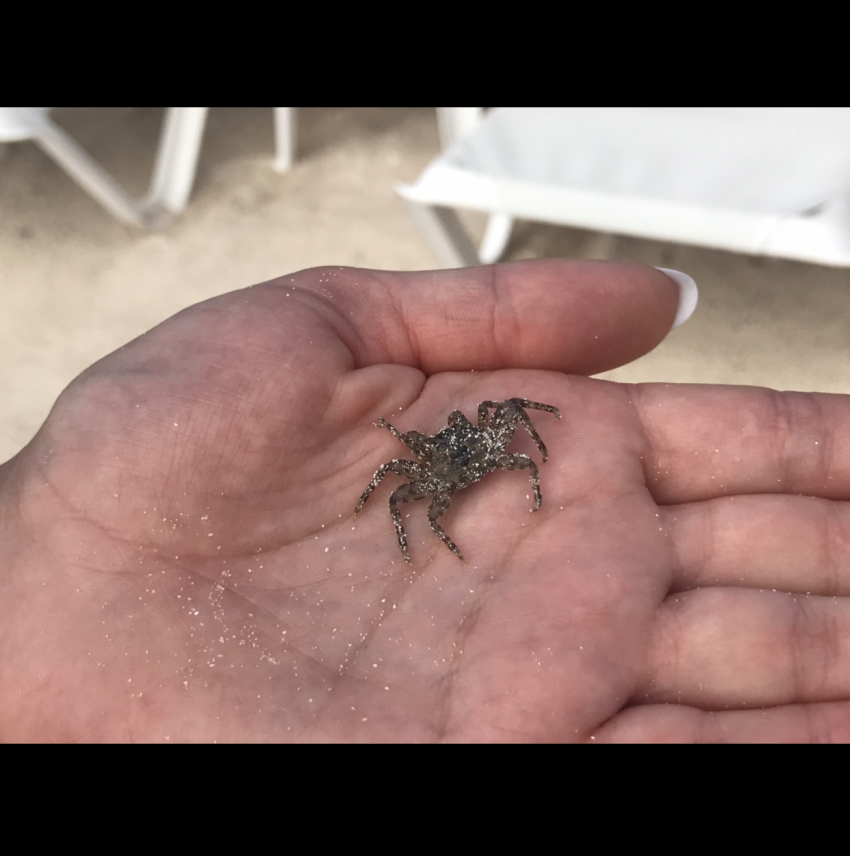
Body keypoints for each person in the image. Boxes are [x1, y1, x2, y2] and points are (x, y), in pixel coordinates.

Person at [1, 259, 848, 744]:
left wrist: (536, 457)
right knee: (406, 491)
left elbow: (510, 412)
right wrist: (426, 531)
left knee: (463, 452)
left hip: (472, 463)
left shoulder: (485, 434)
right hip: (455, 472)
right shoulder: (431, 468)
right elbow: (400, 488)